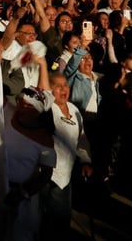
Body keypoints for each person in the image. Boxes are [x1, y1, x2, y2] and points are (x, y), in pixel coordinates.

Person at [41, 71, 93, 238]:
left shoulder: (74, 109)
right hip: (46, 176)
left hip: (65, 177)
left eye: (65, 85)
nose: (63, 89)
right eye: (58, 86)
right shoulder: (47, 110)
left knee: (61, 223)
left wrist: (85, 160)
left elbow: (81, 140)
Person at [1, 86, 56, 241]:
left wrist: (22, 193)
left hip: (20, 199)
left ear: (40, 112)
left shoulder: (45, 140)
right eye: (21, 102)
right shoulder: (9, 111)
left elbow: (46, 175)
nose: (21, 107)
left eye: (29, 105)